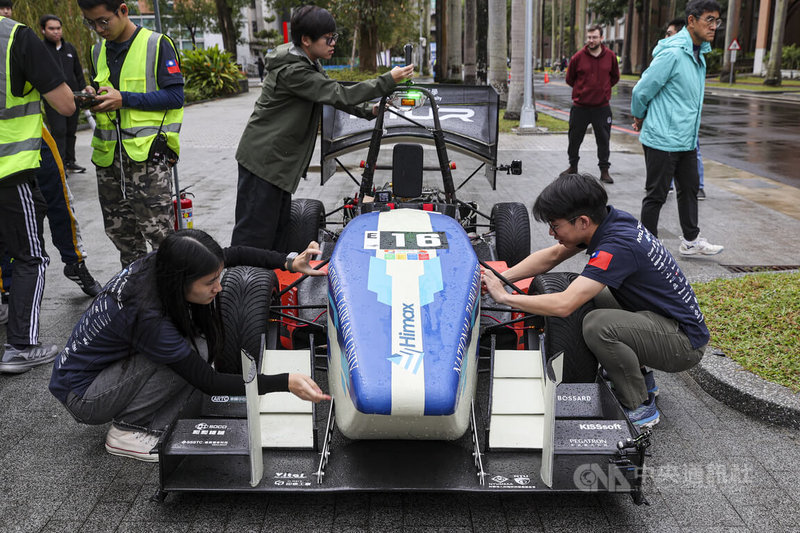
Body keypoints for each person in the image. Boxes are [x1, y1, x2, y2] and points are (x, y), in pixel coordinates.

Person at [49, 229, 330, 461]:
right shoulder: (149, 316)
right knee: (192, 353)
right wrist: (285, 382)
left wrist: (289, 262)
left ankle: (139, 413)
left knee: (195, 345)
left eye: (217, 278)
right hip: (84, 395)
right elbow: (208, 381)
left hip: (90, 373)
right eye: (210, 282)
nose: (218, 287)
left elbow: (234, 254)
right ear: (180, 282)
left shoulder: (163, 263)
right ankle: (127, 430)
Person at [482, 173, 710, 427]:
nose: (550, 232)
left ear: (582, 221)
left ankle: (639, 406)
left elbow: (563, 304)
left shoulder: (617, 245)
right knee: (592, 295)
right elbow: (553, 255)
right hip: (664, 322)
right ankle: (642, 381)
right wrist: (500, 277)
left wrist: (504, 297)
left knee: (597, 325)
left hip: (684, 345)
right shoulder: (610, 221)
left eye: (555, 226)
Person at [232, 5, 414, 251]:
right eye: (328, 38)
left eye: (334, 37)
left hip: (277, 165)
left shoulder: (306, 61)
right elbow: (337, 93)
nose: (333, 43)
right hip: (264, 162)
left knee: (275, 235)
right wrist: (387, 79)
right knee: (253, 238)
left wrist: (368, 110)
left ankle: (266, 284)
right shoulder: (294, 70)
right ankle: (241, 286)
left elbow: (331, 92)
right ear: (306, 40)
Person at [78, 0, 184, 267]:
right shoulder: (97, 50)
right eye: (91, 23)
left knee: (159, 235)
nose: (99, 29)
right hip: (108, 159)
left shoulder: (157, 44)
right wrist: (92, 95)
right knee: (122, 236)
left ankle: (168, 298)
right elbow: (103, 91)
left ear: (123, 10)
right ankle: (135, 295)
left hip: (147, 158)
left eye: (103, 21)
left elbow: (175, 96)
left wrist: (124, 99)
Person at [0, 11, 76, 373]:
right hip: (9, 171)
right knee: (31, 256)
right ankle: (21, 346)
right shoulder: (17, 37)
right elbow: (65, 104)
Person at [631, 0, 723, 256]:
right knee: (656, 195)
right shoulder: (673, 53)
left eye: (717, 20)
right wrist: (639, 117)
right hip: (662, 137)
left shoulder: (698, 54)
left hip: (686, 138)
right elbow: (641, 90)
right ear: (692, 21)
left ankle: (691, 241)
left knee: (690, 189)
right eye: (709, 20)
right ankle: (647, 247)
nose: (714, 26)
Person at [0, 128, 103, 299]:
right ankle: (7, 287)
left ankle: (75, 263)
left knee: (59, 200)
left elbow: (66, 105)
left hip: (31, 132)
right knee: (8, 216)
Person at [563, 25, 619, 184]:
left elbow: (614, 77)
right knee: (574, 138)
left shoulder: (610, 56)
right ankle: (572, 166)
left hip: (602, 107)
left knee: (603, 139)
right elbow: (569, 79)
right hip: (580, 107)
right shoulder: (578, 57)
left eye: (594, 37)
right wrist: (582, 91)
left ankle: (604, 171)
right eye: (589, 37)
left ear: (602, 38)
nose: (591, 40)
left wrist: (603, 90)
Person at [40, 14, 88, 174]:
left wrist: (83, 90)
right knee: (59, 131)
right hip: (53, 99)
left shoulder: (70, 49)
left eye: (58, 28)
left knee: (70, 131)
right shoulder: (41, 50)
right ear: (43, 30)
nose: (55, 32)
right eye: (51, 28)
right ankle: (60, 165)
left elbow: (78, 72)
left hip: (73, 97)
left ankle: (70, 161)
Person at [665, 18, 706, 201]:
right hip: (668, 120)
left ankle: (698, 186)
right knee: (668, 155)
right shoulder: (668, 54)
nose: (666, 37)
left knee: (692, 152)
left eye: (669, 33)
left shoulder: (693, 57)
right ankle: (667, 184)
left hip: (686, 121)